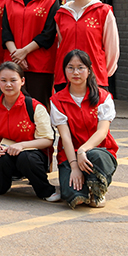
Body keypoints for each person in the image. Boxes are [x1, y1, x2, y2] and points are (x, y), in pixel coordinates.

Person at [0, 62, 59, 202]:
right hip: (6, 152)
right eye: (4, 80)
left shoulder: (34, 107)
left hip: (31, 154)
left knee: (25, 158)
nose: (8, 84)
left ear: (22, 81)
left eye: (13, 80)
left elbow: (48, 140)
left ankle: (45, 190)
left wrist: (22, 146)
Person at [51, 49, 119, 209]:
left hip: (99, 152)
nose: (76, 72)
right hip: (70, 156)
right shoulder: (57, 100)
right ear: (64, 71)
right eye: (70, 68)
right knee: (75, 197)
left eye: (80, 67)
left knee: (94, 155)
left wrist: (82, 150)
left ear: (89, 70)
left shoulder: (103, 97)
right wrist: (74, 166)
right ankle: (83, 186)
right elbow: (65, 137)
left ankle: (98, 190)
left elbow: (102, 132)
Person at [2, 0, 62, 108]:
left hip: (40, 65)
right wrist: (16, 56)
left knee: (38, 107)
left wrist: (24, 52)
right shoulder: (10, 0)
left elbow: (48, 34)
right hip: (13, 64)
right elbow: (6, 32)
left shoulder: (51, 1)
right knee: (13, 107)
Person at [55, 0, 120, 90]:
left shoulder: (103, 11)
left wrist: (102, 71)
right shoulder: (61, 14)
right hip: (65, 77)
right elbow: (61, 45)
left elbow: (112, 48)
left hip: (94, 76)